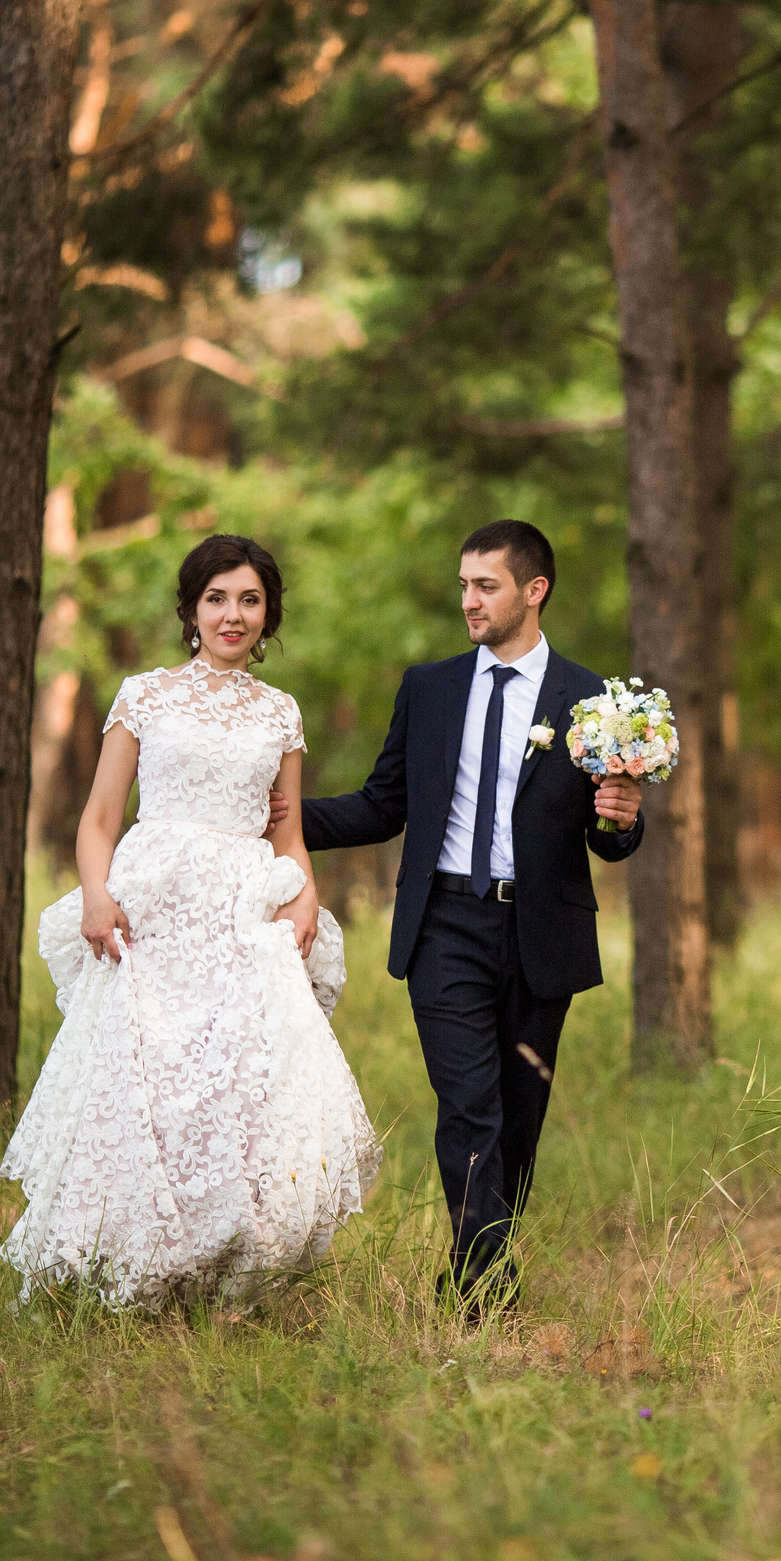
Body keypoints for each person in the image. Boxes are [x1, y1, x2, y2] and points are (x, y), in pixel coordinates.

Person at [0, 535, 378, 1312]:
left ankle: (226, 1268)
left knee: (233, 1081)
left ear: (268, 614)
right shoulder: (144, 695)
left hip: (240, 908)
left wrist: (304, 895)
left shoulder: (281, 712)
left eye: (249, 599)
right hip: (152, 905)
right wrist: (96, 894)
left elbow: (288, 832)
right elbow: (100, 817)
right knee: (145, 1076)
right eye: (217, 598)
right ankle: (123, 1257)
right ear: (192, 609)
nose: (232, 614)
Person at [289, 520, 644, 1316]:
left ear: (534, 590)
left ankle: (473, 1264)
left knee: (519, 1116)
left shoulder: (591, 700)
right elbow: (383, 805)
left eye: (485, 585)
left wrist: (622, 817)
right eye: (463, 585)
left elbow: (610, 836)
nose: (469, 600)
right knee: (471, 1105)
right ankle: (484, 1294)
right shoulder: (431, 687)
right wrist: (275, 817)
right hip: (444, 923)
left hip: (541, 931)